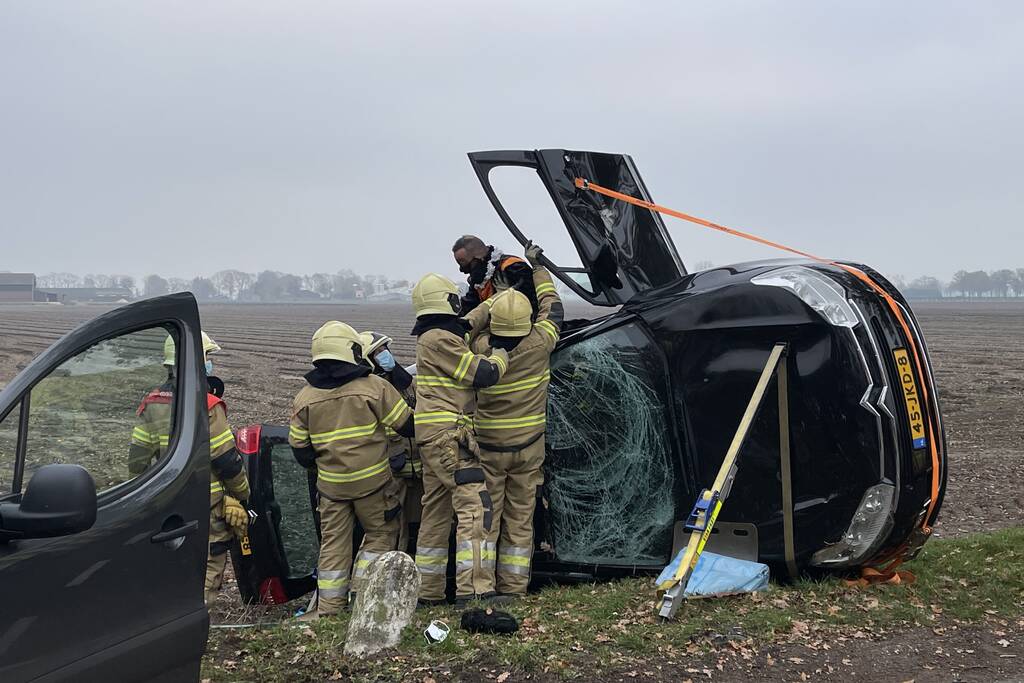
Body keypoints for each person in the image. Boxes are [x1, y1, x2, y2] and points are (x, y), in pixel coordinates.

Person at [289, 321, 414, 618]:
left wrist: (326, 464)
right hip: (373, 484)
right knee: (381, 534)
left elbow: (300, 450)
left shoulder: (304, 397)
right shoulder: (373, 387)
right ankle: (363, 596)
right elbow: (407, 425)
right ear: (352, 352)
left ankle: (330, 608)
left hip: (332, 489)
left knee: (333, 544)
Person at [411, 273, 510, 606]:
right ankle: (476, 591)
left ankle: (428, 593)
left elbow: (466, 325)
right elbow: (484, 374)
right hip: (449, 439)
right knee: (475, 507)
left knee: (436, 513)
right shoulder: (440, 339)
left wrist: (494, 301)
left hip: (432, 439)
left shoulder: (434, 335)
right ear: (447, 301)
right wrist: (502, 353)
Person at [130, 331, 251, 605]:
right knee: (209, 562)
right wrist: (242, 494)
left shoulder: (152, 404)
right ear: (198, 361)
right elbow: (226, 461)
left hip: (169, 501)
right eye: (207, 358)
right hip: (207, 503)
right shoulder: (208, 405)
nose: (210, 364)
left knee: (174, 561)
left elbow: (137, 460)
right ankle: (195, 619)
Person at [471, 244, 562, 598]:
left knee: (486, 522)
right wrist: (538, 268)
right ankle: (514, 588)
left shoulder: (479, 349)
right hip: (528, 449)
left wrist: (490, 304)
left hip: (489, 450)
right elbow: (553, 306)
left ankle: (483, 588)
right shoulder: (541, 342)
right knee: (520, 521)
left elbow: (466, 327)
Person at [359, 331, 422, 554]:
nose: (385, 355)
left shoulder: (405, 382)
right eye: (378, 353)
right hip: (390, 479)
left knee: (420, 529)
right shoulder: (368, 392)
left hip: (418, 474)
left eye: (386, 350)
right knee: (391, 533)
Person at [452, 234, 535, 315]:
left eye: (466, 265)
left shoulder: (512, 266)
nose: (462, 270)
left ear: (479, 258)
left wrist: (507, 295)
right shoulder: (478, 282)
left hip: (523, 324)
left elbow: (532, 300)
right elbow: (468, 306)